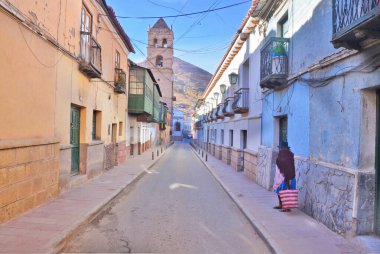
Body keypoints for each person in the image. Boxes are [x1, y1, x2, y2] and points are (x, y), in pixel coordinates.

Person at [273, 141, 296, 212]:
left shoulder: (287, 155)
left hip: (286, 176)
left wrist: (286, 177)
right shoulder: (284, 154)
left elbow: (288, 167)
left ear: (283, 148)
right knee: (279, 191)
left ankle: (287, 207)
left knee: (286, 192)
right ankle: (281, 205)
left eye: (281, 148)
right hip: (280, 177)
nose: (280, 149)